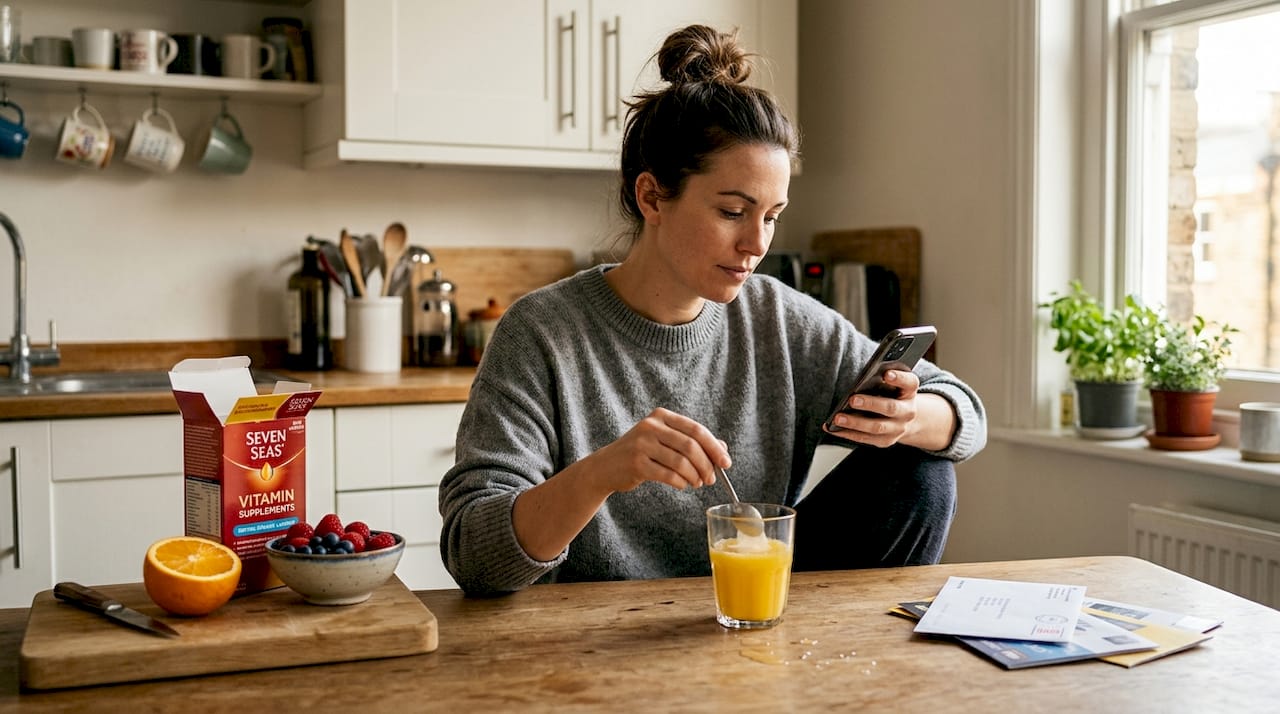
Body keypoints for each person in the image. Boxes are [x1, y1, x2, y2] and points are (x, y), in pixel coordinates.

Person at [439, 24, 986, 596]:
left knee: (922, 470)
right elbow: (474, 555)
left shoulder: (778, 318)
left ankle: (850, 663)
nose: (757, 244)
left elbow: (966, 414)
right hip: (595, 640)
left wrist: (909, 416)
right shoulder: (542, 332)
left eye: (771, 216)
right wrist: (603, 471)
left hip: (757, 610)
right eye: (732, 211)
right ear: (652, 197)